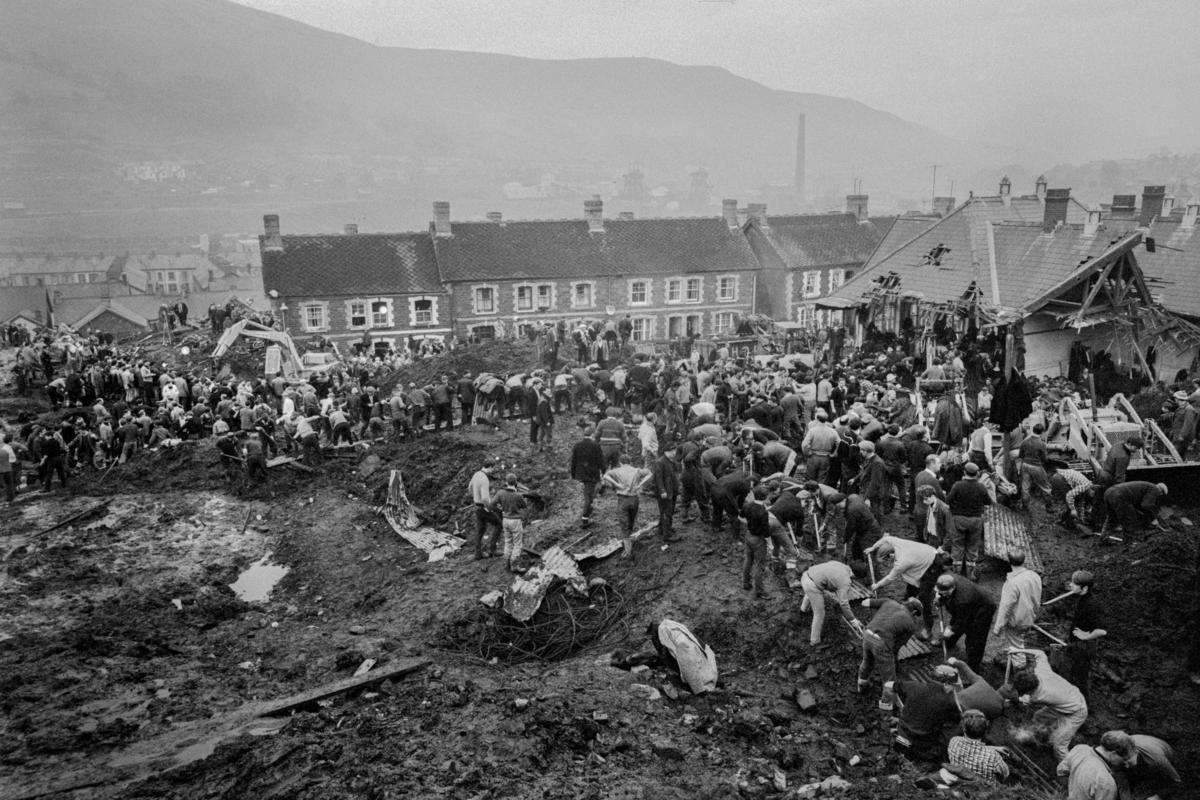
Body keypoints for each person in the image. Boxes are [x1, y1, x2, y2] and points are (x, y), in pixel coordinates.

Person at [1007, 647, 1088, 761]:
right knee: (1038, 717)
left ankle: (1068, 769)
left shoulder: (1039, 696)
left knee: (1059, 747)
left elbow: (1023, 701)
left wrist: (1014, 699)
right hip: (1069, 697)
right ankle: (1035, 737)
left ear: (1030, 691)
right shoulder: (1041, 672)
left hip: (1076, 711)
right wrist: (1018, 649)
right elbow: (1040, 653)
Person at [865, 534, 943, 639]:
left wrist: (877, 585)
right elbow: (885, 539)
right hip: (922, 555)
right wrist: (873, 547)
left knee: (924, 595)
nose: (888, 563)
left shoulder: (902, 562)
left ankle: (928, 629)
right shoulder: (893, 542)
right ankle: (905, 611)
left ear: (891, 555)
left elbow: (890, 578)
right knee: (911, 588)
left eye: (886, 560)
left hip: (933, 562)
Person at [887, 664, 962, 765]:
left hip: (902, 736)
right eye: (953, 686)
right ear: (946, 684)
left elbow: (888, 685)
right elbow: (955, 720)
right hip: (924, 747)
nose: (953, 689)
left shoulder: (913, 686)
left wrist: (900, 707)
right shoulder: (949, 702)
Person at [857, 597, 924, 710]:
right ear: (914, 612)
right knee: (889, 680)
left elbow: (866, 602)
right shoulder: (910, 623)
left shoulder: (889, 602)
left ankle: (862, 685)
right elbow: (897, 646)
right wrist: (892, 660)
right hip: (881, 643)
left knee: (867, 661)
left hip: (867, 634)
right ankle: (886, 706)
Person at [934, 572, 996, 672]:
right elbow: (942, 594)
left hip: (983, 609)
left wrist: (950, 630)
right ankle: (949, 643)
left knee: (975, 637)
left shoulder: (963, 600)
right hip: (966, 606)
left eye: (945, 594)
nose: (943, 595)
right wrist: (940, 599)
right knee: (956, 622)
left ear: (953, 588)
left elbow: (962, 620)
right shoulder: (945, 578)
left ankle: (973, 668)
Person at [1061, 570, 1106, 702]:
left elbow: (1102, 631)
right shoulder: (1083, 598)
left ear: (1084, 588)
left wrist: (1085, 636)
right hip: (1077, 645)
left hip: (1083, 648)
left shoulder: (1090, 605)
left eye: (1074, 584)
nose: (1071, 585)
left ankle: (1082, 706)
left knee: (1080, 678)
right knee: (1074, 674)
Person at [1095, 730, 1181, 799]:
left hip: (1161, 761)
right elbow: (1122, 785)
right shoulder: (1119, 757)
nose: (1127, 766)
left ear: (1136, 752)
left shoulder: (1156, 759)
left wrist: (1158, 796)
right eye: (1123, 762)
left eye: (1129, 762)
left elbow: (1175, 781)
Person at [992, 548, 1041, 668]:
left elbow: (1005, 607)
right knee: (1017, 640)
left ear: (1009, 562)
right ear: (1024, 560)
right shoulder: (1034, 576)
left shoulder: (1012, 583)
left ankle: (1019, 669)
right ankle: (1012, 659)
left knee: (1016, 646)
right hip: (1030, 616)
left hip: (1017, 621)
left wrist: (998, 626)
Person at [799, 557, 863, 645]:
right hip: (811, 586)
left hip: (806, 575)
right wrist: (852, 620)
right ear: (855, 576)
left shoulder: (839, 563)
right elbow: (843, 603)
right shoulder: (845, 581)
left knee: (810, 593)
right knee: (819, 613)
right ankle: (814, 641)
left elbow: (829, 576)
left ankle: (803, 610)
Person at [946, 462, 991, 578]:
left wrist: (955, 510)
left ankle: (956, 572)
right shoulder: (981, 487)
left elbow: (949, 500)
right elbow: (988, 502)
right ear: (977, 474)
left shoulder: (957, 485)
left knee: (957, 544)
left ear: (964, 472)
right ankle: (970, 573)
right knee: (972, 545)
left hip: (959, 519)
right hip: (975, 520)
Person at [603, 455, 652, 558]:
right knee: (631, 520)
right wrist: (640, 484)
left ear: (621, 463)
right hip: (634, 499)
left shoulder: (617, 470)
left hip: (623, 499)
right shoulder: (637, 470)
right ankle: (628, 540)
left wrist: (617, 484)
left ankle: (628, 552)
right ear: (630, 462)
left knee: (623, 524)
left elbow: (605, 476)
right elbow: (649, 473)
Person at [945, 709, 1010, 784]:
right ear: (985, 730)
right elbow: (1005, 774)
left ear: (963, 728)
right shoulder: (994, 756)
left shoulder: (954, 741)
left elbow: (972, 749)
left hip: (959, 783)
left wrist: (993, 748)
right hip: (985, 791)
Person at [489, 473, 529, 573]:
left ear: (506, 482)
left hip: (505, 520)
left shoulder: (500, 493)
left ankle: (506, 563)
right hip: (515, 521)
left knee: (508, 542)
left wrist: (500, 508)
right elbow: (524, 506)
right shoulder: (517, 495)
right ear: (515, 483)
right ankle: (514, 565)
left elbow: (491, 505)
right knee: (517, 544)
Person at [1101, 481, 1168, 539]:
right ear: (1161, 492)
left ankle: (1103, 538)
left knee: (1111, 518)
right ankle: (1128, 543)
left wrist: (1149, 518)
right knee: (1128, 519)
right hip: (1119, 496)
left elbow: (1140, 506)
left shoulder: (1146, 487)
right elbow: (1146, 505)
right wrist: (1153, 518)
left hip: (1108, 492)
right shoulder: (1154, 489)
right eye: (1161, 494)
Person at [570, 425, 605, 526]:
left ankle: (589, 508)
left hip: (581, 473)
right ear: (592, 434)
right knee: (589, 495)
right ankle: (585, 518)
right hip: (592, 473)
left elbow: (573, 461)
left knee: (589, 492)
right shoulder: (596, 445)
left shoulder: (577, 445)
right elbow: (601, 461)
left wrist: (573, 474)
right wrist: (604, 471)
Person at [468, 460, 501, 559]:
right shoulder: (484, 479)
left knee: (480, 530)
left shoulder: (476, 474)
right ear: (490, 467)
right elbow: (485, 498)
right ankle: (493, 550)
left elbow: (469, 488)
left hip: (477, 506)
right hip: (483, 507)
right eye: (493, 468)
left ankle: (478, 554)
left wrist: (475, 497)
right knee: (499, 524)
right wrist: (490, 508)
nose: (493, 470)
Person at [651, 446, 680, 542]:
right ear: (667, 451)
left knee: (669, 510)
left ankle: (663, 528)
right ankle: (666, 535)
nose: (675, 452)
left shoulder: (671, 460)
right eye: (673, 450)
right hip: (665, 492)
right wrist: (662, 491)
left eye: (675, 450)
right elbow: (657, 478)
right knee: (666, 512)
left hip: (672, 490)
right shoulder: (660, 462)